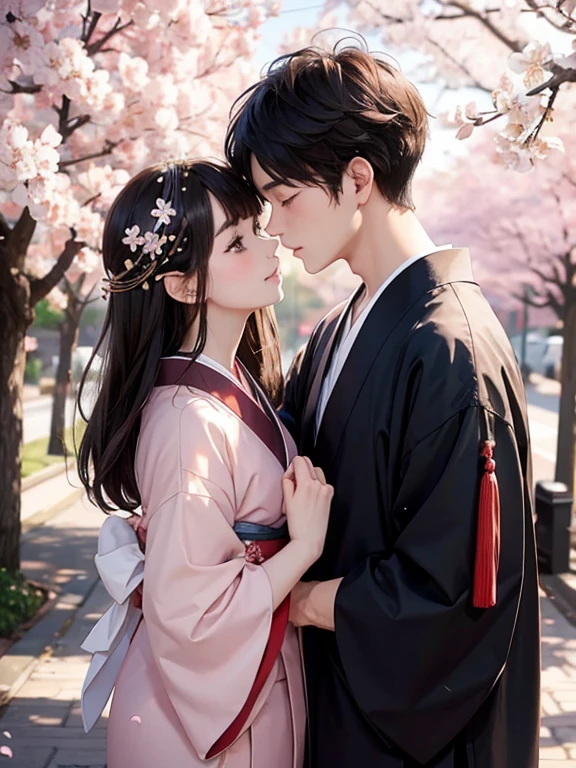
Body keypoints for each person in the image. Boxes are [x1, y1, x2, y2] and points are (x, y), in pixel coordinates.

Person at [225, 44, 541, 768]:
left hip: (415, 739)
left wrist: (294, 599)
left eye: (282, 197)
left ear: (357, 178)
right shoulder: (343, 327)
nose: (272, 223)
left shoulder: (450, 348)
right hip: (345, 709)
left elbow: (452, 596)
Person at [76, 160, 333, 768]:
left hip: (247, 681)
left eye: (257, 228)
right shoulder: (189, 420)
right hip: (205, 717)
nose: (270, 244)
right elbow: (190, 612)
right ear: (185, 284)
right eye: (238, 241)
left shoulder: (229, 385)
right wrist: (303, 548)